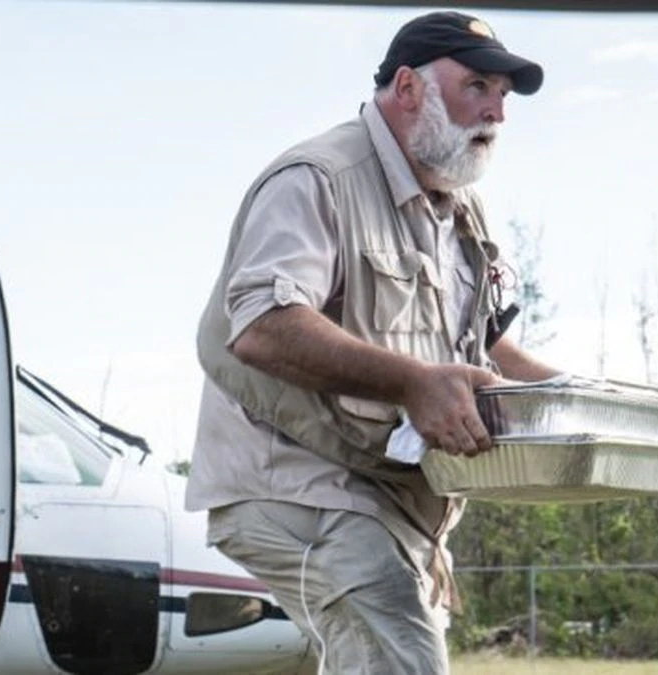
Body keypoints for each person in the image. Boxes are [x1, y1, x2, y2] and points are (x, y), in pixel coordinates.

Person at [184, 11, 558, 674]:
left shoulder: (459, 209)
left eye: (504, 93)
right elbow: (261, 325)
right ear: (409, 87)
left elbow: (481, 347)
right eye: (478, 85)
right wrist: (413, 383)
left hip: (388, 499)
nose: (497, 109)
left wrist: (565, 398)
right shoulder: (318, 179)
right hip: (297, 483)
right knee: (403, 659)